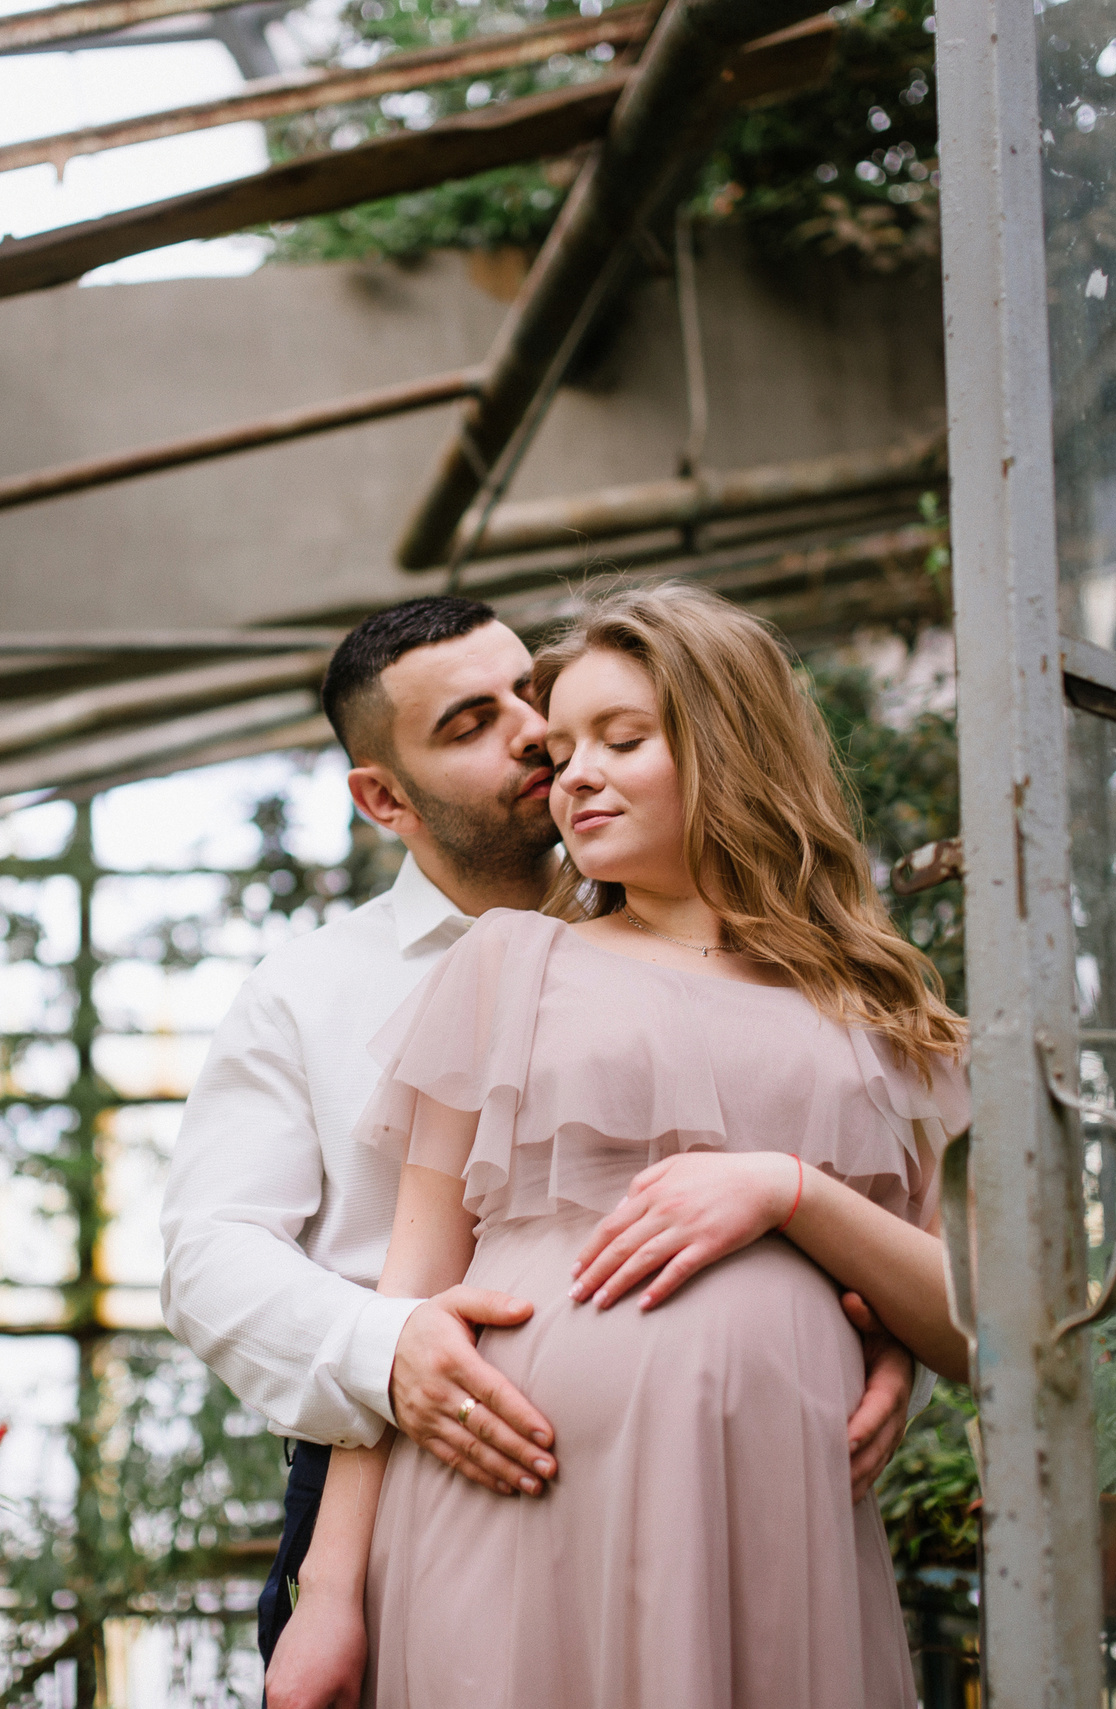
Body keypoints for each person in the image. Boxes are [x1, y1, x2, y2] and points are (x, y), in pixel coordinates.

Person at [156, 595, 921, 1677]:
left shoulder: (779, 955)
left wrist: (883, 1337)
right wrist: (391, 1351)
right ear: (384, 797)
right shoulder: (309, 987)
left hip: (741, 1471)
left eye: (533, 696)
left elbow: (880, 1202)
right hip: (417, 1461)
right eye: (471, 722)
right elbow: (208, 1257)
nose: (530, 733)